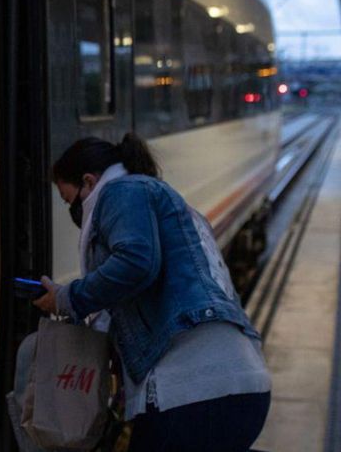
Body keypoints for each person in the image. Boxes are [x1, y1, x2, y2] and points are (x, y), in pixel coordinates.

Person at [33, 134, 271, 451]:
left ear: (89, 183)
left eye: (69, 200)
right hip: (233, 388)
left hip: (191, 395)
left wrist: (68, 298)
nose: (73, 213)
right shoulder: (161, 202)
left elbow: (135, 263)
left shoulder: (124, 190)